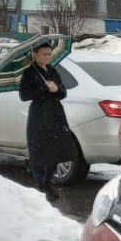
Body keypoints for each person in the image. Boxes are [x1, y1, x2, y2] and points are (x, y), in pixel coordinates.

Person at [19, 41, 72, 201]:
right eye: (44, 54)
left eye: (49, 54)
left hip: (55, 114)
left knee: (56, 151)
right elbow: (24, 95)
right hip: (39, 116)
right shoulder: (29, 72)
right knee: (39, 151)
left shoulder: (52, 70)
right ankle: (40, 185)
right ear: (35, 54)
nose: (47, 57)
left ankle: (47, 183)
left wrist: (57, 89)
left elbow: (63, 93)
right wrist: (43, 89)